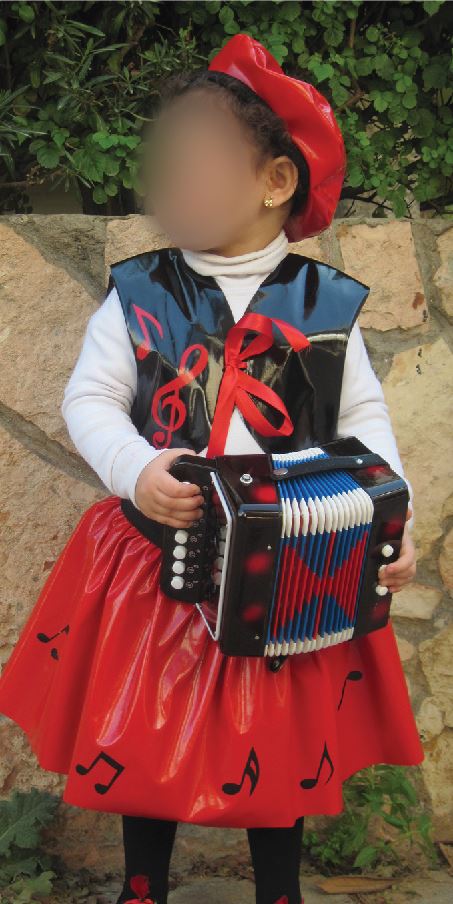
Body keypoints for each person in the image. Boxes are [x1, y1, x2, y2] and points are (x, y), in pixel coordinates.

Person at [0, 33, 424, 904]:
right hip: (158, 552)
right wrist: (136, 470)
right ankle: (143, 883)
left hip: (290, 567)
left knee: (282, 734)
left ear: (275, 181)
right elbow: (91, 399)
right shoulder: (138, 291)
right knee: (138, 727)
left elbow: (363, 424)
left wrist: (392, 520)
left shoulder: (326, 307)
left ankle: (278, 888)